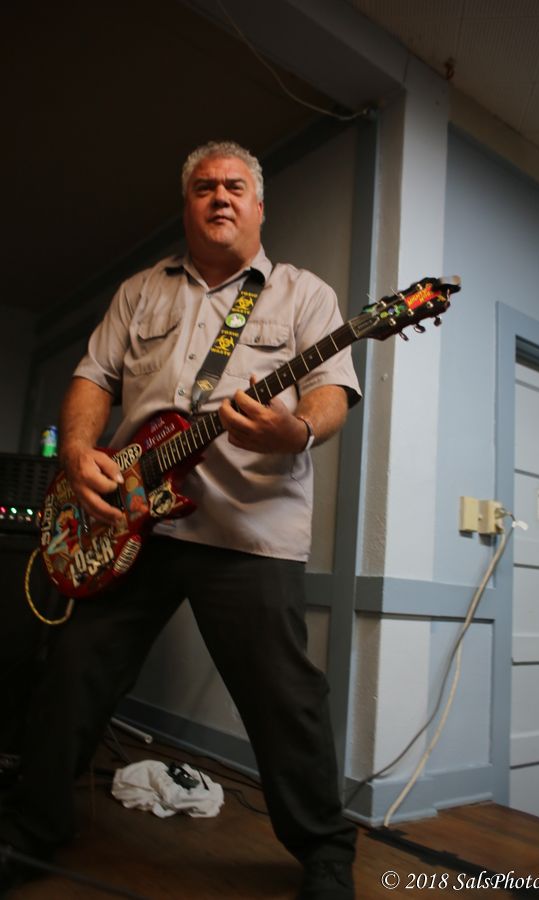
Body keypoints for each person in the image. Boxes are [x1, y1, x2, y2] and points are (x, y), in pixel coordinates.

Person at [0, 141, 360, 898]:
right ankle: (30, 831)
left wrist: (295, 431)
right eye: (204, 186)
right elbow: (93, 377)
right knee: (72, 671)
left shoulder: (303, 293)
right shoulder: (140, 291)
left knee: (285, 698)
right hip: (132, 522)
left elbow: (330, 390)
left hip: (251, 530)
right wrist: (78, 451)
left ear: (259, 206)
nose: (220, 196)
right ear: (187, 204)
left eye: (235, 186)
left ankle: (326, 854)